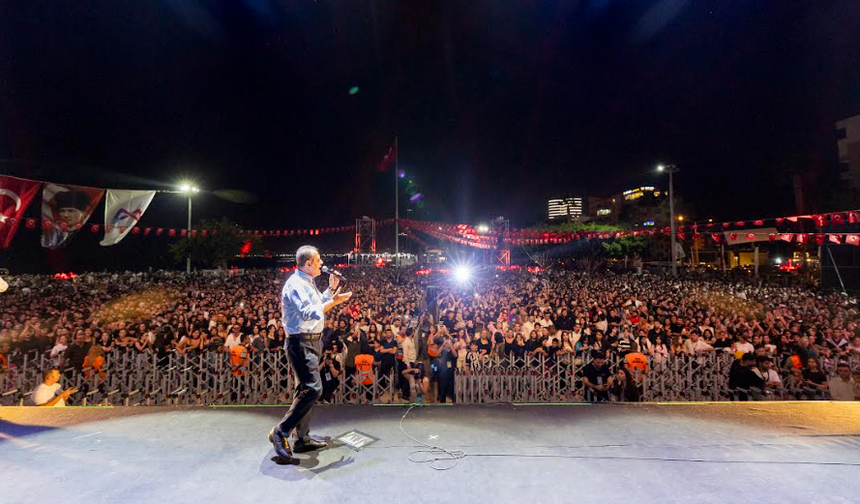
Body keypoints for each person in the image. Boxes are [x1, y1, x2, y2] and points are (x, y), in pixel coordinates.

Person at [269, 246, 352, 463]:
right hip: (300, 343)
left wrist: (330, 292)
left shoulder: (307, 283)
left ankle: (302, 439)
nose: (321, 263)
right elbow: (309, 313)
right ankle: (281, 431)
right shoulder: (295, 285)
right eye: (318, 260)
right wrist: (334, 302)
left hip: (312, 342)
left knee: (304, 390)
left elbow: (315, 304)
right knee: (313, 389)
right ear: (308, 264)